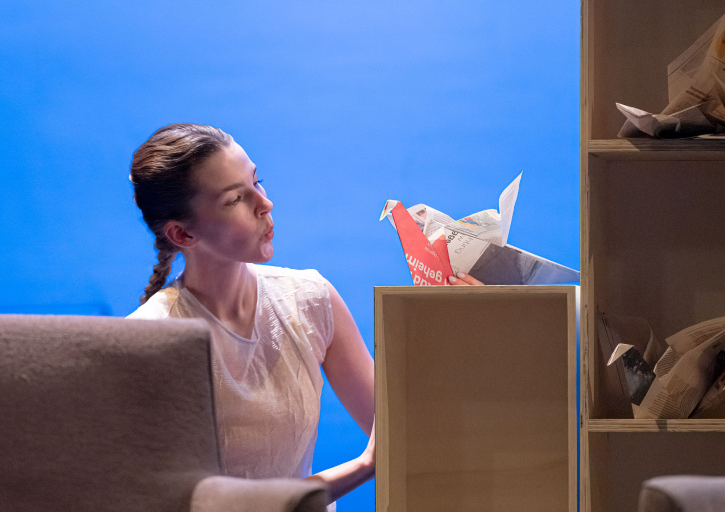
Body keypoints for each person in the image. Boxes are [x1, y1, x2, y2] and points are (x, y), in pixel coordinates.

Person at [127, 123, 481, 505]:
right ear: (182, 234)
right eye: (235, 199)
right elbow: (193, 503)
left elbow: (406, 437)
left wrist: (461, 329)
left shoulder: (309, 298)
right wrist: (365, 465)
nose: (265, 204)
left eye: (257, 182)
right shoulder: (152, 340)